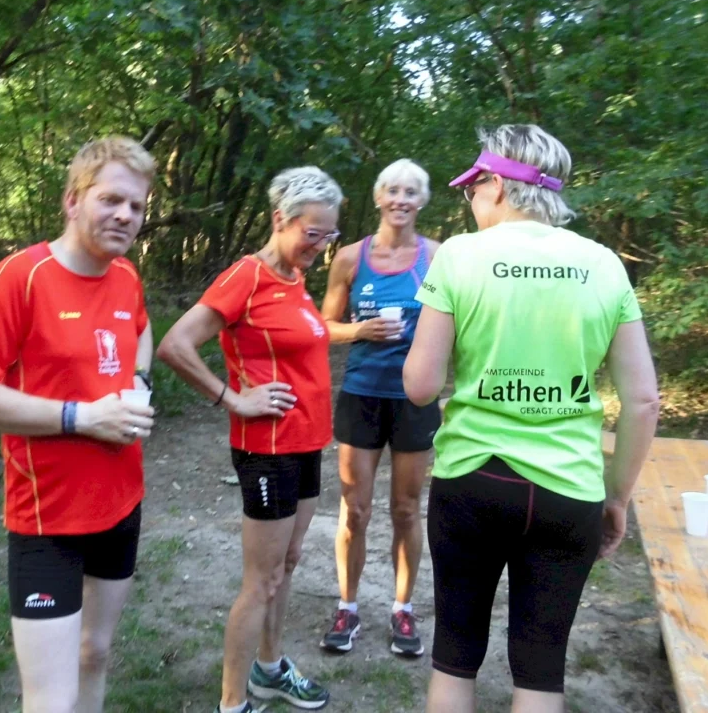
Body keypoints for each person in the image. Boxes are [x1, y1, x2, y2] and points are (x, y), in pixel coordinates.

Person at [403, 125, 660, 713]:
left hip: (473, 479)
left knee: (454, 659)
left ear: (496, 185)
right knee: (541, 673)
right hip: (570, 492)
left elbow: (419, 386)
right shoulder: (603, 264)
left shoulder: (460, 255)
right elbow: (644, 400)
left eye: (472, 188)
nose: (469, 199)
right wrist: (617, 497)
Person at [0, 137, 157, 713]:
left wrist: (139, 381)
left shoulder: (125, 276)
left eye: (136, 206)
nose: (125, 215)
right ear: (72, 200)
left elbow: (141, 328)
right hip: (48, 518)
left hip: (121, 501)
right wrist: (82, 417)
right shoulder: (22, 276)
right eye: (111, 199)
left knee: (96, 654)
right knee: (50, 699)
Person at [157, 166, 342, 713]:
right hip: (268, 451)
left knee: (288, 563)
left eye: (329, 235)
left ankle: (269, 669)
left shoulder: (294, 278)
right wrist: (232, 398)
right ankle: (232, 701)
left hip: (305, 445)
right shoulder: (246, 276)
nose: (320, 246)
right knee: (260, 580)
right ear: (280, 219)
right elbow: (175, 345)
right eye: (312, 233)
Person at [318, 159, 441, 658]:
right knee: (356, 509)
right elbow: (323, 326)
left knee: (407, 509)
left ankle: (402, 609)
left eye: (410, 192)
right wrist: (359, 330)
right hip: (362, 393)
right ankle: (347, 606)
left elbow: (459, 320)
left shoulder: (438, 257)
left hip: (414, 398)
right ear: (377, 197)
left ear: (422, 200)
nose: (400, 200)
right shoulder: (350, 258)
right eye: (392, 190)